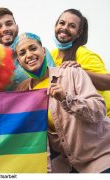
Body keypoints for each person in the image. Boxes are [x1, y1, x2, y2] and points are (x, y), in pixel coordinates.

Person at [14, 32, 110, 173]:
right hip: (67, 165)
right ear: (19, 62)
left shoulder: (71, 72)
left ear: (44, 51)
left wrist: (67, 98)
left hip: (100, 158)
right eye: (22, 53)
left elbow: (99, 110)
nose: (28, 55)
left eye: (33, 48)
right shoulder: (25, 94)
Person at [51, 8, 110, 117]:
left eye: (72, 26)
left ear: (79, 33)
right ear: (55, 26)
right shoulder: (51, 56)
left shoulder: (84, 54)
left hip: (100, 123)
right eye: (62, 23)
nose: (64, 28)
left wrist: (79, 73)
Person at [0, 7, 55, 90]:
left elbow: (55, 79)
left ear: (17, 27)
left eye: (9, 24)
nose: (5, 29)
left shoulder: (39, 53)